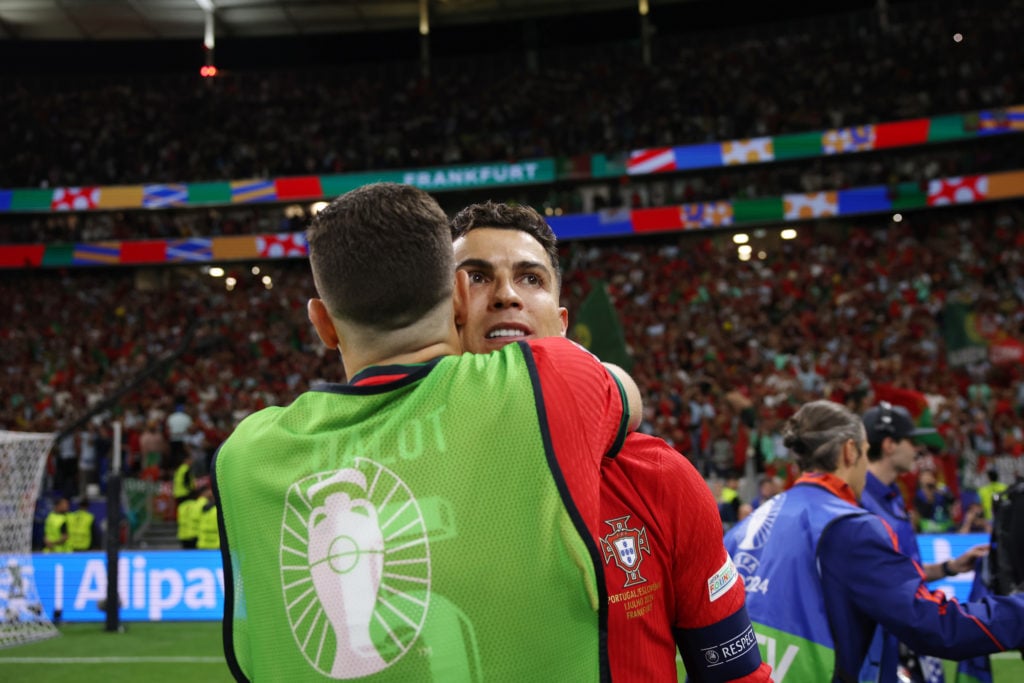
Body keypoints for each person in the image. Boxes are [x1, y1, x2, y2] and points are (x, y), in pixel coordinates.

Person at [214, 183, 642, 682]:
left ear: (323, 323)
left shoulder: (247, 457)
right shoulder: (545, 386)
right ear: (460, 296)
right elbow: (626, 395)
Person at [450, 200, 771, 682]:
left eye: (530, 278)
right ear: (440, 315)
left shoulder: (657, 477)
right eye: (476, 276)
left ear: (561, 324)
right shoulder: (386, 480)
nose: (506, 295)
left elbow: (736, 675)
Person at [723, 400, 1024, 682]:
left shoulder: (753, 521)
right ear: (850, 451)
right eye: (867, 453)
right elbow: (932, 625)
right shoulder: (848, 527)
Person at [859, 401, 989, 683]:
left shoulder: (891, 498)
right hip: (876, 645)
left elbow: (905, 571)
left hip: (903, 638)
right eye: (911, 441)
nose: (918, 449)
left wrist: (950, 567)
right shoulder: (859, 501)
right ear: (890, 444)